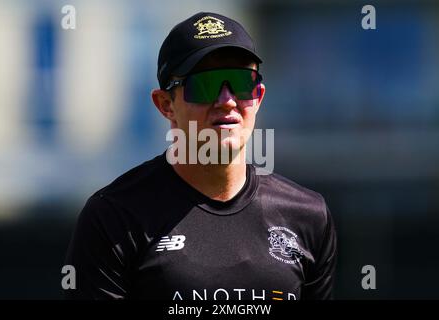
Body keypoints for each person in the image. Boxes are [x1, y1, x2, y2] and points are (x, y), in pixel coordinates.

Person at [64, 11, 337, 300]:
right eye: (205, 85)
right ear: (166, 104)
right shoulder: (114, 218)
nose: (227, 101)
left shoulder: (308, 215)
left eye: (242, 81)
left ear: (258, 96)